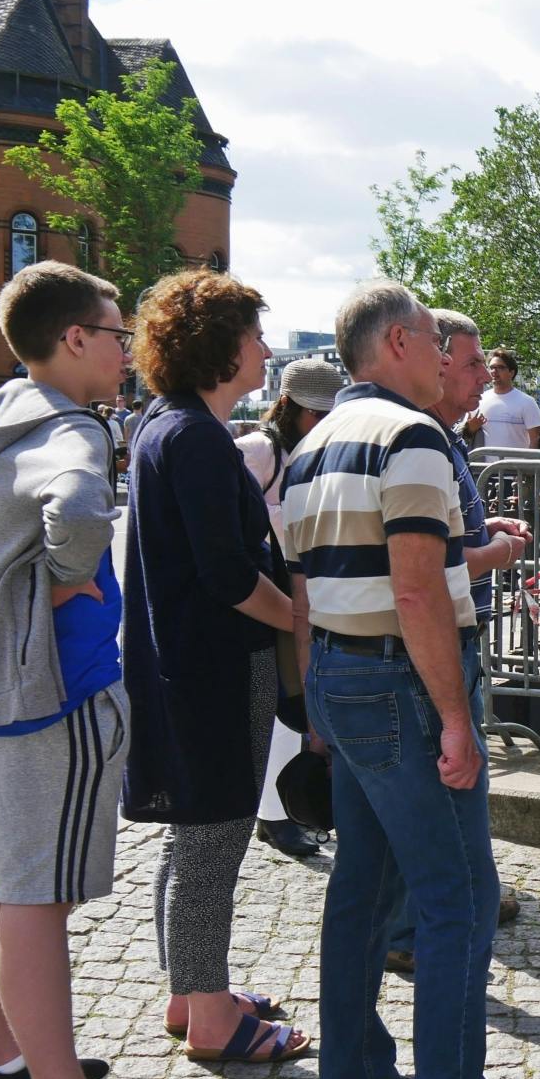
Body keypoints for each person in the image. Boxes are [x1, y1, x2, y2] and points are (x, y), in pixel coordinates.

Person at [284, 281, 540, 1079]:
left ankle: (358, 1078)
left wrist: (316, 708)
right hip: (400, 683)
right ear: (398, 342)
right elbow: (416, 590)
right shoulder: (411, 436)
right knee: (461, 897)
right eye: (436, 345)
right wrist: (454, 719)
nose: (448, 361)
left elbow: (303, 594)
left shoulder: (314, 441)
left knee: (363, 883)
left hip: (338, 675)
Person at [0, 262, 182, 1079]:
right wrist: (66, 577)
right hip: (55, 692)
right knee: (34, 897)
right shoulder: (71, 426)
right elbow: (79, 511)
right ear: (74, 338)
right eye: (118, 335)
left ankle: (5, 1068)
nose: (127, 353)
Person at [122, 269, 307, 1065]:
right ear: (221, 345)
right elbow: (230, 577)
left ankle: (190, 991)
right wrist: (301, 619)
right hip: (216, 672)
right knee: (212, 842)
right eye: (255, 334)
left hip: (185, 668)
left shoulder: (167, 425)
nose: (265, 348)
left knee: (190, 839)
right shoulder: (194, 437)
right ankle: (210, 1019)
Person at [381, 309, 529, 976]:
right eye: (471, 364)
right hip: (430, 643)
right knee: (445, 779)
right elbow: (419, 571)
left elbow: (440, 539)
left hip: (441, 632)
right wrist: (491, 553)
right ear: (435, 363)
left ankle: (463, 896)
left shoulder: (442, 438)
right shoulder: (419, 441)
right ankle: (422, 927)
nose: (482, 378)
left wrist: (480, 528)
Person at [238, 356, 344, 861]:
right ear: (288, 407)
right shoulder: (261, 451)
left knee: (296, 702)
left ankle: (281, 809)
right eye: (312, 413)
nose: (319, 423)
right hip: (271, 590)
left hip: (303, 587)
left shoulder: (312, 452)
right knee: (288, 701)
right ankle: (274, 814)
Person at [475, 346, 540, 450]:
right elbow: (464, 435)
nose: (494, 371)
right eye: (491, 367)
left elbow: (535, 440)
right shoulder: (479, 399)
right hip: (483, 466)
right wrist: (469, 428)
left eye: (500, 367)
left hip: (515, 465)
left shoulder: (527, 402)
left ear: (511, 372)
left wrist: (529, 465)